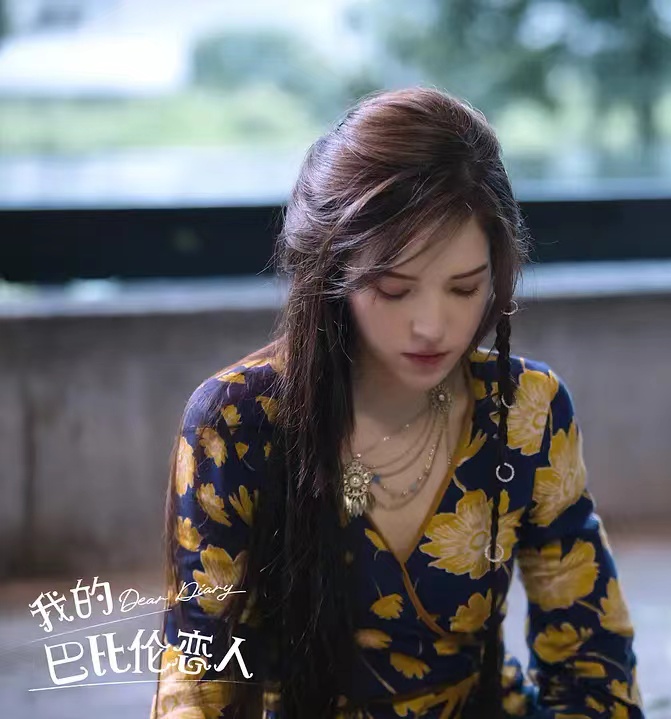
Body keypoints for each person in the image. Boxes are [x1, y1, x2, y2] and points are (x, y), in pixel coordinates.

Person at [149, 86, 645, 719]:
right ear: (332, 274)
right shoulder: (239, 421)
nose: (432, 326)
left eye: (464, 289)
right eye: (393, 289)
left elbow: (588, 649)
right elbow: (201, 669)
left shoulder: (525, 410)